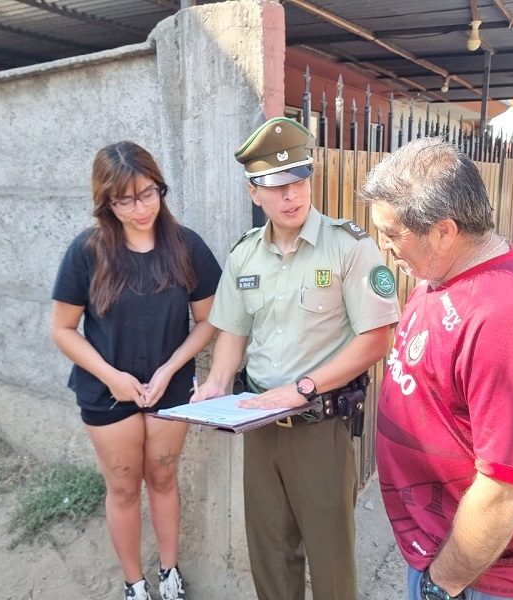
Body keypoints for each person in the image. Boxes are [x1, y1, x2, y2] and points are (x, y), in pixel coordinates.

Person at [192, 116, 400, 600]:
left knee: (330, 562)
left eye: (300, 179)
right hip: (259, 428)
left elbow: (376, 339)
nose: (291, 195)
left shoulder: (349, 247)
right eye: (277, 185)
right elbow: (233, 332)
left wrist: (304, 388)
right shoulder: (245, 256)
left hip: (319, 427)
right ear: (254, 192)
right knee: (270, 556)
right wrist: (217, 385)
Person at [358, 136, 513, 600]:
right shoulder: (438, 273)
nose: (385, 245)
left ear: (444, 230)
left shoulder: (504, 321)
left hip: (470, 576)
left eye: (392, 233)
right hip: (436, 543)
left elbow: (505, 489)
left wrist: (443, 583)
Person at [50, 141, 222, 600]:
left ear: (159, 187)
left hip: (169, 388)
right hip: (108, 393)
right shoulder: (87, 252)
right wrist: (110, 376)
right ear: (105, 201)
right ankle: (134, 583)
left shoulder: (187, 246)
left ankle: (169, 572)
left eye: (148, 193)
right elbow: (63, 329)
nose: (139, 207)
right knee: (123, 488)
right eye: (124, 199)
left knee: (163, 478)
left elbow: (210, 321)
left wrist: (170, 369)